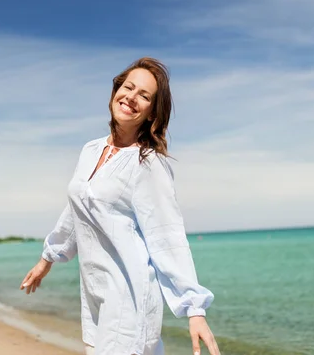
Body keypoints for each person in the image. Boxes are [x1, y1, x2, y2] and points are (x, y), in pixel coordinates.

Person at [20, 57, 220, 355]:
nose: (131, 97)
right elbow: (76, 211)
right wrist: (47, 258)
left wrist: (194, 308)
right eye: (128, 87)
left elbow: (167, 236)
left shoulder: (148, 163)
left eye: (144, 95)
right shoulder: (90, 150)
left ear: (152, 113)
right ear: (116, 91)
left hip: (130, 297)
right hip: (94, 293)